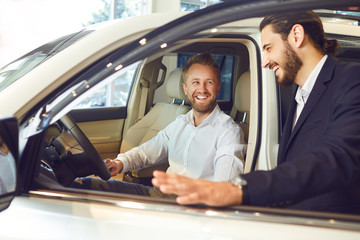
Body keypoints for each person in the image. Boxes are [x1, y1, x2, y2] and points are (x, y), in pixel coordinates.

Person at [152, 11, 360, 214]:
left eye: (269, 48)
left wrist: (237, 188)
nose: (264, 62)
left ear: (296, 36)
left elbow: (336, 159)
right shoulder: (299, 95)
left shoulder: (351, 80)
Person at [72, 52, 246, 198]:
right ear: (185, 88)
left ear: (218, 87)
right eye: (196, 82)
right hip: (161, 196)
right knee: (86, 186)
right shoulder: (180, 123)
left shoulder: (228, 132)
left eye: (209, 82)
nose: (202, 89)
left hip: (191, 206)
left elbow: (224, 191)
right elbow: (147, 152)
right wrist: (119, 163)